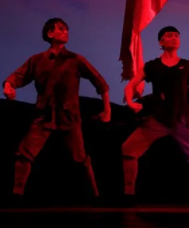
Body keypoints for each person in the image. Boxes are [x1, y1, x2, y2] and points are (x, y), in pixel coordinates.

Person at [2, 18, 111, 205]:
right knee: (24, 153)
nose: (66, 32)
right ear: (50, 33)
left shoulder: (76, 59)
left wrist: (107, 110)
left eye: (66, 29)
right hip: (43, 116)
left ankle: (95, 196)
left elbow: (100, 82)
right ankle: (16, 195)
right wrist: (8, 87)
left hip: (69, 117)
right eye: (61, 29)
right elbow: (17, 77)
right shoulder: (37, 60)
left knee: (80, 157)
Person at [121, 26, 189, 205]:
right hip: (157, 119)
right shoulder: (152, 66)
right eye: (169, 36)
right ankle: (128, 196)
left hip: (181, 120)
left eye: (177, 35)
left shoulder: (188, 66)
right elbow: (131, 85)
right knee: (128, 149)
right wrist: (129, 102)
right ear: (161, 41)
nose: (174, 38)